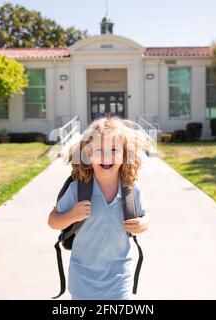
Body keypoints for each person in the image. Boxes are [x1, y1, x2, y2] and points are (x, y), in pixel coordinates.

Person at [48, 116, 151, 300]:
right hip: (83, 278)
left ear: (125, 154)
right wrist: (72, 215)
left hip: (119, 278)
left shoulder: (131, 189)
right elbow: (53, 221)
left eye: (114, 149)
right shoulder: (78, 189)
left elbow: (146, 217)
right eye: (99, 150)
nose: (106, 156)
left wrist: (142, 224)